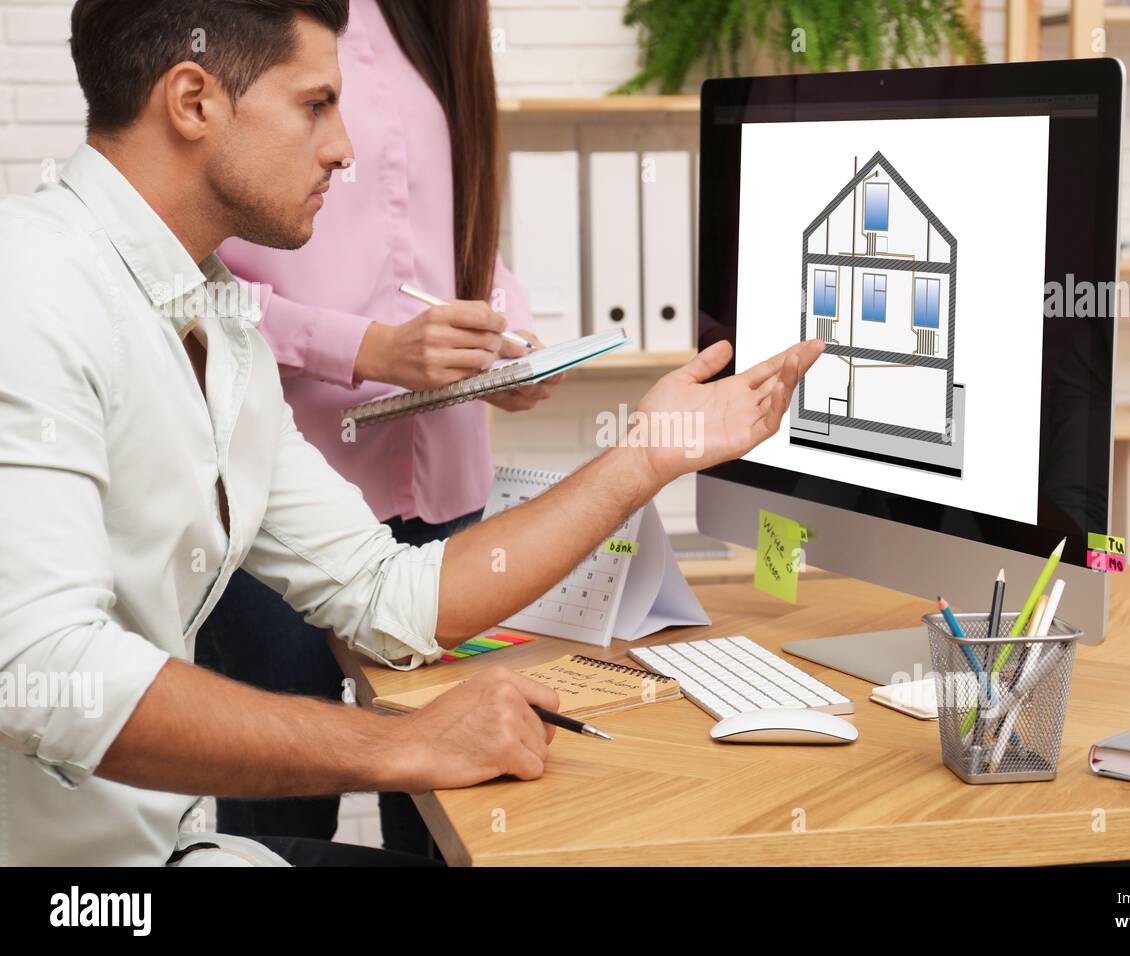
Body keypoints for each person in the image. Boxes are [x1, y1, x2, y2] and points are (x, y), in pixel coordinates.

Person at [0, 0, 823, 866]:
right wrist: (402, 746)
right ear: (195, 101)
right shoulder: (32, 288)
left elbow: (388, 596)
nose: (342, 147)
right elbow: (45, 675)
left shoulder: (217, 326)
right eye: (316, 104)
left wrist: (649, 455)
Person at [195, 0, 559, 855]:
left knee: (449, 802)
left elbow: (463, 236)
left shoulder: (435, 26)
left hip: (444, 498)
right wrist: (365, 347)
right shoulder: (246, 27)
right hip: (280, 503)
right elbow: (196, 290)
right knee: (277, 817)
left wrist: (507, 335)